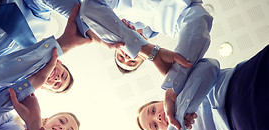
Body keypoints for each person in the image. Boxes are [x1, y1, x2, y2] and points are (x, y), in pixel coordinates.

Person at [114, 45, 269, 130]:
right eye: (154, 126)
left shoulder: (181, 82)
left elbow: (210, 66)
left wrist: (179, 113)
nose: (158, 117)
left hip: (248, 79)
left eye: (153, 110)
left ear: (162, 101)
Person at [80, 0, 212, 93]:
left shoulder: (116, 6)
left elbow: (90, 7)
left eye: (121, 56)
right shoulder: (173, 28)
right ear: (143, 58)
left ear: (114, 44)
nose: (127, 56)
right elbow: (198, 19)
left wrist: (128, 36)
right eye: (132, 61)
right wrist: (173, 81)